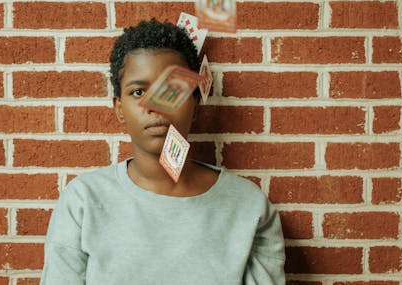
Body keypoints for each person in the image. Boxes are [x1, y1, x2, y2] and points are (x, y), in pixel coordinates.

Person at [40, 18, 285, 285]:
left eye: (171, 89)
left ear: (194, 102)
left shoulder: (249, 207)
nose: (155, 105)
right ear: (119, 108)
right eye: (138, 91)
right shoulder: (83, 201)